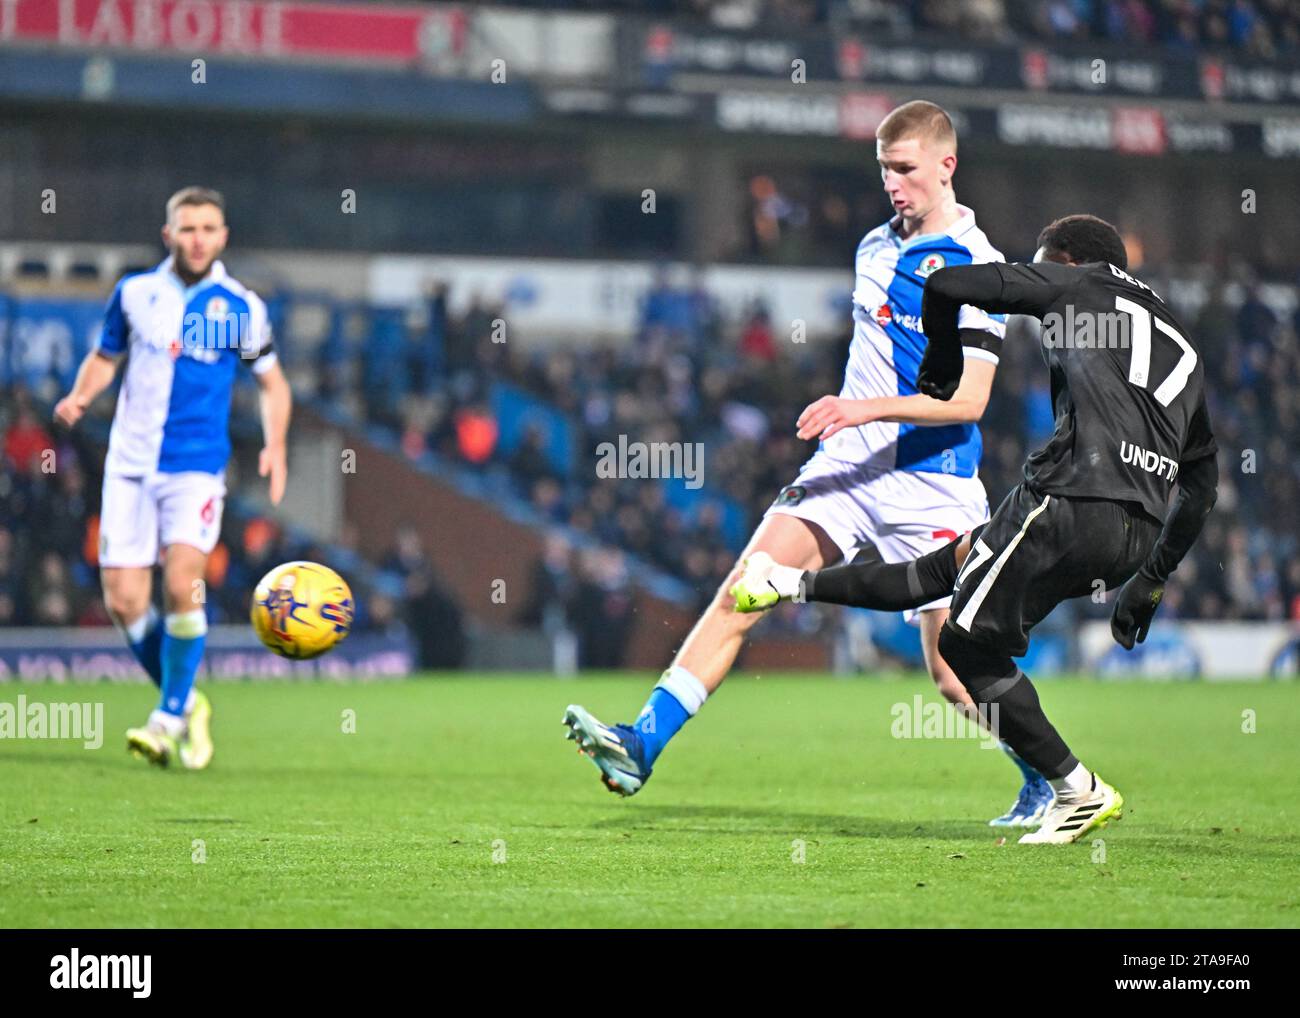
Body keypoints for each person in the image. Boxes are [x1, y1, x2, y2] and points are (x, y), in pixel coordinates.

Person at [563, 100, 1052, 824]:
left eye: (906, 169)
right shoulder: (873, 248)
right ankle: (642, 745)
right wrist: (850, 420)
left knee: (952, 674)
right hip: (847, 467)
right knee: (746, 587)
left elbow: (969, 401)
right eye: (884, 169)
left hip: (932, 483)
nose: (893, 183)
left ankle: (1047, 777)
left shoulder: (979, 268)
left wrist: (863, 408)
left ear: (946, 165)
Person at [732, 214, 1218, 844]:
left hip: (1072, 496)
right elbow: (1201, 485)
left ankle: (1075, 788)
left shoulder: (1076, 286)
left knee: (962, 646)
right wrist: (1148, 581)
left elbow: (947, 287)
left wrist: (939, 359)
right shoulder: (1183, 341)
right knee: (947, 569)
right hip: (1134, 532)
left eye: (1042, 263)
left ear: (1065, 260)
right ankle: (789, 585)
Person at [53, 186, 292, 769]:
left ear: (223, 236)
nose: (197, 239)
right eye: (187, 229)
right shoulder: (135, 294)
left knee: (183, 581)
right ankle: (188, 703)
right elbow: (106, 356)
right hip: (129, 466)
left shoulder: (241, 307)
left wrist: (276, 445)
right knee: (124, 599)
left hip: (196, 470)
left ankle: (164, 720)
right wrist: (82, 395)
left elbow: (273, 383)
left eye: (208, 229)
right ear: (169, 235)